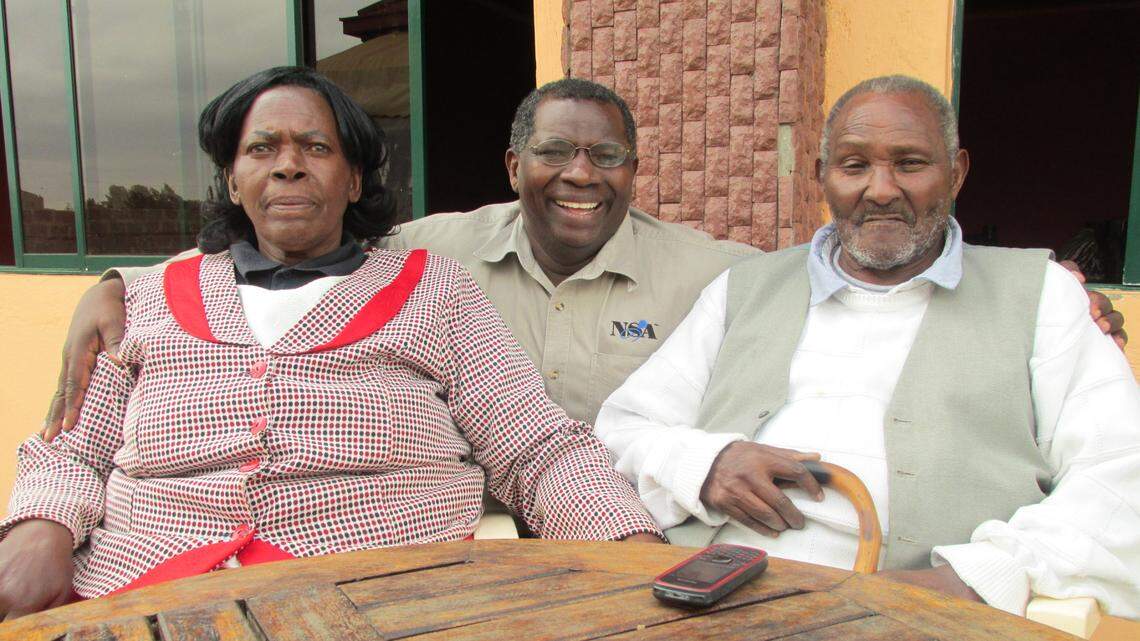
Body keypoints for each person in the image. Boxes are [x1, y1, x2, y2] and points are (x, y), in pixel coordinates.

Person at [42, 78, 1126, 439]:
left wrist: (1039, 290)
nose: (581, 174)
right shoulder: (429, 249)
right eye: (556, 152)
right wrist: (119, 284)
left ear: (634, 169)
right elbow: (291, 234)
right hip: (465, 523)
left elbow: (851, 256)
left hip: (625, 528)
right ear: (514, 163)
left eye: (607, 156)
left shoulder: (712, 269)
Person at [0, 67, 661, 619]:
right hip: (147, 590)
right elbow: (71, 451)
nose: (288, 166)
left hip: (378, 591)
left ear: (353, 179)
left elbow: (536, 447)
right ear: (232, 178)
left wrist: (633, 551)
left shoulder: (435, 290)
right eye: (262, 149)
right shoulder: (145, 300)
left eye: (316, 148)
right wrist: (39, 530)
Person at [595, 75, 1140, 618]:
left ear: (956, 172)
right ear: (821, 176)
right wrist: (705, 465)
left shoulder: (1042, 296)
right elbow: (624, 428)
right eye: (854, 166)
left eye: (909, 163)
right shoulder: (744, 288)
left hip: (922, 618)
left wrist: (977, 578)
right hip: (708, 602)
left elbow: (1119, 475)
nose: (880, 190)